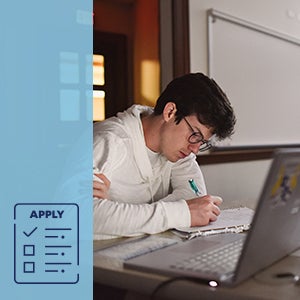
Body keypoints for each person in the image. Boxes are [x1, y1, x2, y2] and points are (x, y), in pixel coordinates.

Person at [93, 72, 236, 240]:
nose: (195, 149)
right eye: (195, 135)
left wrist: (117, 214)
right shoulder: (107, 141)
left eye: (202, 142)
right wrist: (180, 212)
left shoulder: (179, 150)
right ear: (170, 112)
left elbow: (194, 200)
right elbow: (80, 217)